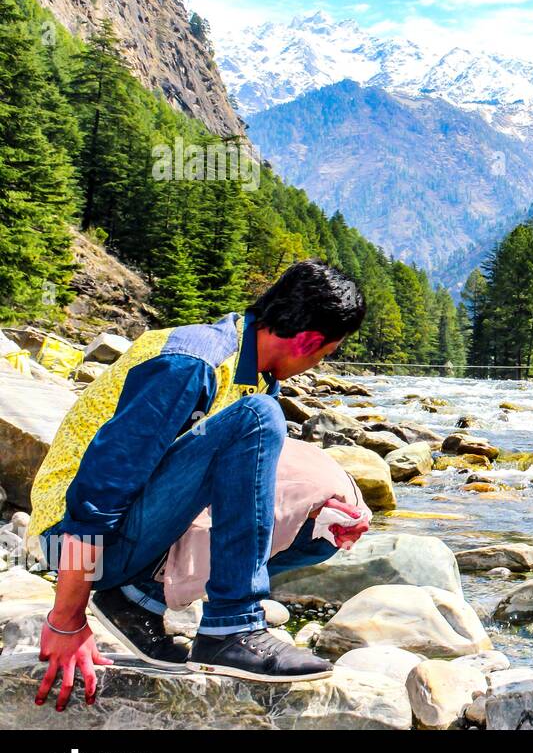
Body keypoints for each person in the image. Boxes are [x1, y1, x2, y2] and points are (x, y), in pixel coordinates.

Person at [28, 260, 369, 712]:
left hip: (134, 535)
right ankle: (231, 628)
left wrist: (316, 511)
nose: (316, 365)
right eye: (325, 353)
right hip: (70, 538)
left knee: (322, 524)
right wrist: (66, 619)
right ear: (308, 340)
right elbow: (98, 495)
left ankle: (137, 598)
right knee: (261, 419)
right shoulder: (192, 362)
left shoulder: (257, 375)